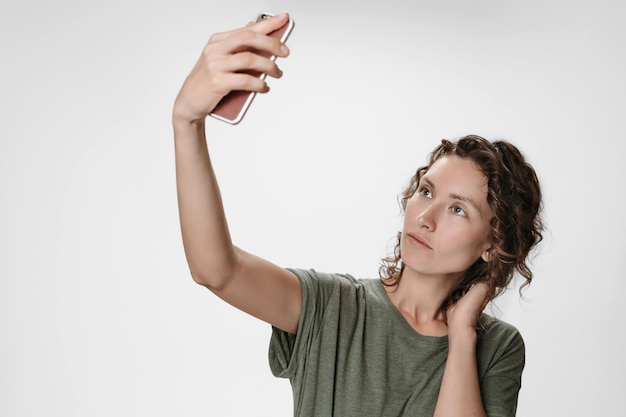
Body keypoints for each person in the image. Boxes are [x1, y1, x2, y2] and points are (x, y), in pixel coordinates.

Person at [172, 12, 544, 417]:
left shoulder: (499, 348)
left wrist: (461, 333)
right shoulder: (333, 305)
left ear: (494, 243)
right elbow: (215, 270)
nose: (425, 217)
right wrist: (186, 123)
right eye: (426, 192)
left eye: (457, 209)